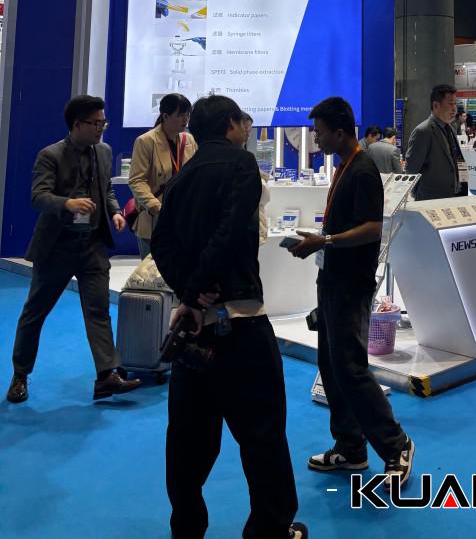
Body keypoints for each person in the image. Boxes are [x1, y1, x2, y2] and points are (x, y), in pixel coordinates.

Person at [151, 96, 305, 539]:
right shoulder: (241, 166)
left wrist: (189, 290)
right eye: (243, 122)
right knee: (262, 437)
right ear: (231, 125)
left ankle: (187, 529)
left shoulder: (181, 178)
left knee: (187, 444)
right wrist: (198, 286)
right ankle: (269, 531)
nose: (248, 129)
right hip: (240, 325)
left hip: (193, 329)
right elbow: (232, 230)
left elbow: (161, 244)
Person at [290, 96, 414, 488]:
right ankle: (350, 447)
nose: (316, 139)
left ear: (340, 132)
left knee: (350, 368)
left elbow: (372, 229)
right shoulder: (345, 167)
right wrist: (322, 241)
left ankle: (396, 446)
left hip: (350, 283)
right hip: (332, 278)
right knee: (331, 366)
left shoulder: (362, 171)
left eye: (320, 132)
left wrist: (325, 240)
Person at [6, 96, 141, 404]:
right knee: (35, 313)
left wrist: (115, 212)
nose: (101, 128)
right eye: (96, 123)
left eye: (103, 123)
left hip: (92, 245)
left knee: (98, 311)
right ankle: (20, 374)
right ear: (77, 124)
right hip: (57, 247)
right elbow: (38, 196)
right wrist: (67, 203)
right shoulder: (50, 155)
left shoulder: (104, 152)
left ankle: (106, 376)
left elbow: (106, 189)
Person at [128, 93, 196, 259]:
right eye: (180, 115)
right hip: (155, 216)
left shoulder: (189, 140)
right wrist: (153, 205)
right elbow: (137, 180)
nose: (185, 119)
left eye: (187, 114)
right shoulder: (146, 141)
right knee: (152, 271)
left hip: (183, 217)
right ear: (165, 116)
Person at [404, 84, 467, 200]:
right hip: (430, 199)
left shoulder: (450, 129)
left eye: (455, 104)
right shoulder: (423, 131)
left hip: (452, 196)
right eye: (450, 104)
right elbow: (411, 170)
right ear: (436, 105)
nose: (454, 109)